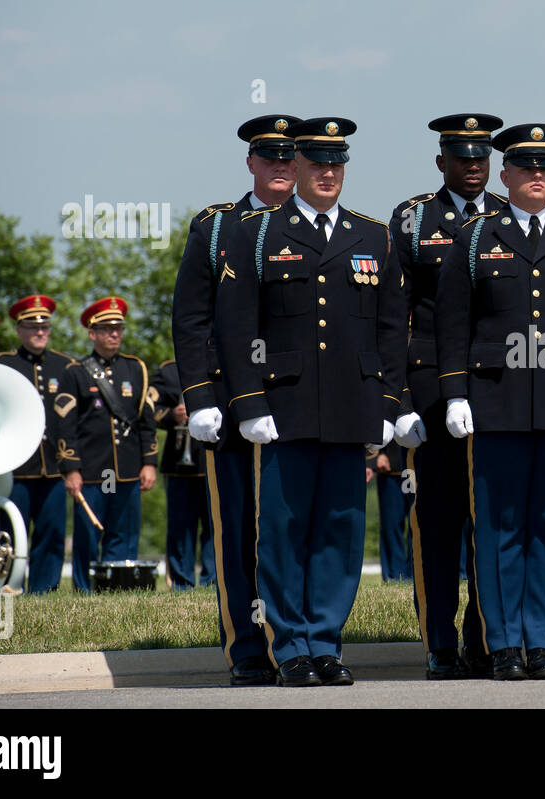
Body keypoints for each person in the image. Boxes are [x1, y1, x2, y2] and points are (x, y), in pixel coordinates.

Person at [214, 116, 407, 687]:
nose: (328, 174)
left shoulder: (373, 236)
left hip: (352, 405)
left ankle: (326, 642)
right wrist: (249, 403)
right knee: (283, 529)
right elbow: (235, 324)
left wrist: (390, 405)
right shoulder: (255, 234)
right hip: (284, 407)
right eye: (317, 164)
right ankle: (289, 646)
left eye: (337, 164)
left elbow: (393, 328)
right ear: (293, 168)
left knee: (340, 532)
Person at [435, 123, 545, 680]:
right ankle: (503, 642)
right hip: (497, 402)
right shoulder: (476, 237)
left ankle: (544, 642)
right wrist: (455, 392)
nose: (536, 178)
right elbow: (452, 323)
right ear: (504, 175)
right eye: (525, 169)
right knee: (498, 528)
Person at [171, 114, 299, 685]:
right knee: (240, 529)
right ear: (250, 162)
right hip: (229, 402)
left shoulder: (325, 226)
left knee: (296, 526)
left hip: (301, 401)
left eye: (290, 157)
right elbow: (191, 316)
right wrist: (198, 396)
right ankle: (248, 646)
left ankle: (299, 641)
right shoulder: (218, 227)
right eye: (269, 156)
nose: (280, 165)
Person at [387, 114, 507, 679]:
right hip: (432, 383)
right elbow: (396, 315)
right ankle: (438, 640)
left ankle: (486, 638)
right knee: (437, 519)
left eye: (481, 156)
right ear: (442, 161)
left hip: (497, 384)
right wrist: (401, 401)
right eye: (462, 156)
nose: (473, 165)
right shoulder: (413, 220)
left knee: (492, 518)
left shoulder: (510, 216)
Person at [61, 297, 158, 592]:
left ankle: (119, 588)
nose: (114, 334)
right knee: (89, 534)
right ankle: (85, 589)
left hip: (128, 469)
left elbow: (146, 420)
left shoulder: (135, 369)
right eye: (107, 329)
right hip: (92, 471)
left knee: (124, 532)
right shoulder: (76, 373)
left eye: (118, 328)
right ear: (93, 334)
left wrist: (149, 462)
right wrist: (71, 468)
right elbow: (66, 427)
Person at [0, 295, 79, 593]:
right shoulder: (3, 365)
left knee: (52, 533)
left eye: (44, 327)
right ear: (19, 330)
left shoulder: (66, 366)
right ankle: (10, 588)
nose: (40, 332)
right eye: (32, 327)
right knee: (10, 535)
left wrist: (72, 467)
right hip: (15, 469)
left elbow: (71, 423)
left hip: (53, 468)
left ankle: (45, 590)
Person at [151, 358, 214, 589]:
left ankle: (212, 581)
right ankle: (180, 581)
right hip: (179, 462)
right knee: (180, 527)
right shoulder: (168, 371)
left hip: (212, 459)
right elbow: (148, 408)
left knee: (214, 526)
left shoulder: (221, 361)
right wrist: (172, 415)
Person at [368, 441, 414, 582]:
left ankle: (417, 574)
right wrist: (375, 457)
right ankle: (395, 575)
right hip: (390, 467)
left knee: (419, 524)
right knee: (391, 525)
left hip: (417, 465)